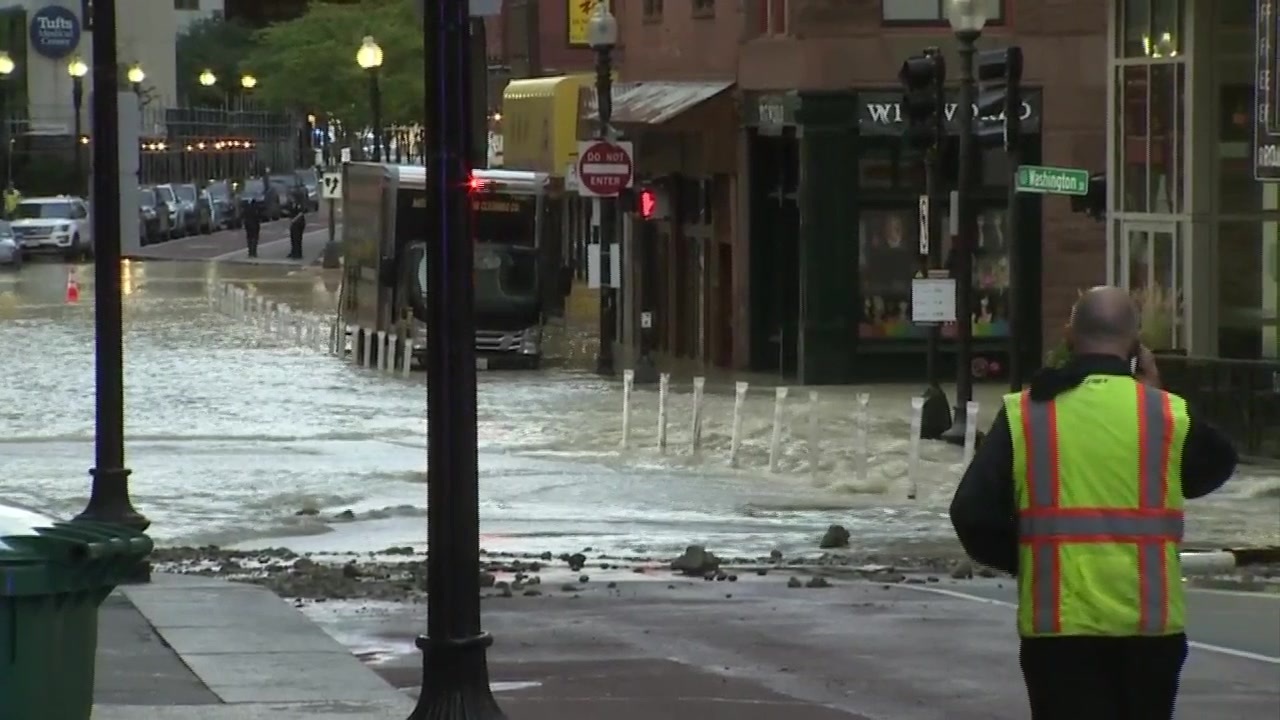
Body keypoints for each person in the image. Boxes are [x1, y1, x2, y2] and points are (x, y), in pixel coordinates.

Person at [949, 285, 1238, 720]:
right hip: (1149, 629)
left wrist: (1026, 559)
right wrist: (1154, 391)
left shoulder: (1026, 413)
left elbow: (970, 511)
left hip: (1059, 631)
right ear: (1137, 344)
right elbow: (1215, 465)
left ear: (1069, 337)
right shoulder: (1166, 415)